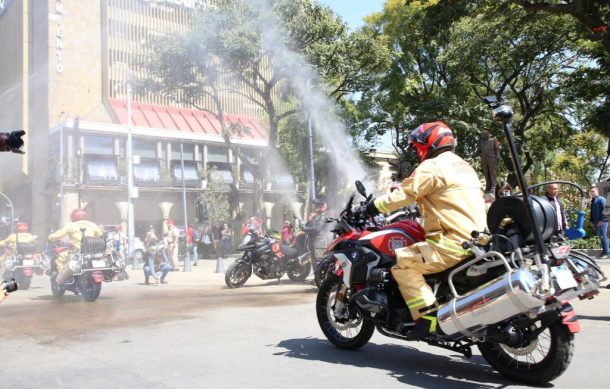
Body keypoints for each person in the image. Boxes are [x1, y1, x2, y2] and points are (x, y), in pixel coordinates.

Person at [368, 121, 487, 339]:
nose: (417, 150)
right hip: (478, 240)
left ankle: (427, 318)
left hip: (451, 243)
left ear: (430, 142)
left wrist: (373, 206)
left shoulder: (432, 167)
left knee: (404, 262)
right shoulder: (465, 166)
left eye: (418, 146)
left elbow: (405, 195)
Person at [47, 208, 104, 283]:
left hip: (76, 251)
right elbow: (102, 236)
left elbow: (58, 235)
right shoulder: (92, 225)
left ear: (73, 217)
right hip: (91, 251)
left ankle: (61, 280)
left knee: (59, 259)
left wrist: (49, 238)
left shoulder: (71, 225)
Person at [589, 186, 609, 258]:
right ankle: (605, 250)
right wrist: (591, 220)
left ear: (597, 191)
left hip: (602, 222)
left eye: (593, 191)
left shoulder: (601, 199)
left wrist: (602, 220)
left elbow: (606, 210)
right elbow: (592, 212)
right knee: (601, 237)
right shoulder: (593, 200)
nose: (592, 193)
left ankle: (606, 253)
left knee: (603, 237)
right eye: (591, 192)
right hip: (596, 222)